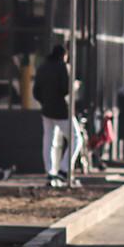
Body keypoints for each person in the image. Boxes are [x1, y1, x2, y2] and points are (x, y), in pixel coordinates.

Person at [33, 45, 72, 187]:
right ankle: (63, 169)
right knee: (76, 139)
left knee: (48, 141)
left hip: (46, 110)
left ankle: (50, 171)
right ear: (64, 55)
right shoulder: (62, 67)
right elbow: (66, 89)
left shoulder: (42, 67)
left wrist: (45, 102)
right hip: (62, 110)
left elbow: (36, 91)